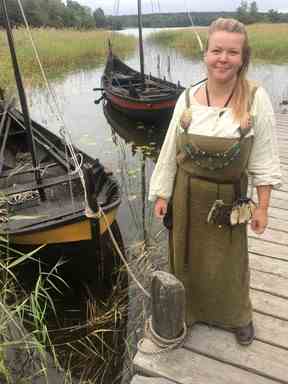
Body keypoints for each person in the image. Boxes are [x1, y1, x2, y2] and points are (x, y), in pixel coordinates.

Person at [148, 18, 281, 345]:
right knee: (186, 259)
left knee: (231, 262)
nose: (223, 58)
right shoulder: (188, 98)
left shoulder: (255, 99)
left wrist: (262, 208)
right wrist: (162, 194)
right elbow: (169, 152)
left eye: (232, 52)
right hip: (187, 195)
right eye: (217, 50)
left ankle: (237, 316)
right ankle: (188, 311)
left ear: (242, 57)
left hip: (229, 198)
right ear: (205, 54)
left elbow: (264, 157)